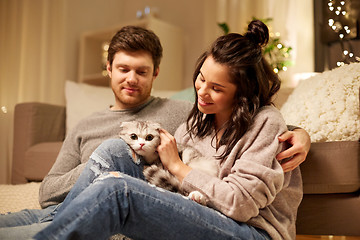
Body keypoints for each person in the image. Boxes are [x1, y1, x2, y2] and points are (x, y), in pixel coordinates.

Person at [0, 25, 309, 239]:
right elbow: (49, 191)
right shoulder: (199, 118)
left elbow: (241, 203)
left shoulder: (265, 122)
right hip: (198, 208)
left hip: (248, 231)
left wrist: (301, 133)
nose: (201, 92)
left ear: (242, 93)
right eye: (200, 79)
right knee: (113, 151)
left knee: (116, 190)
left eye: (216, 88)